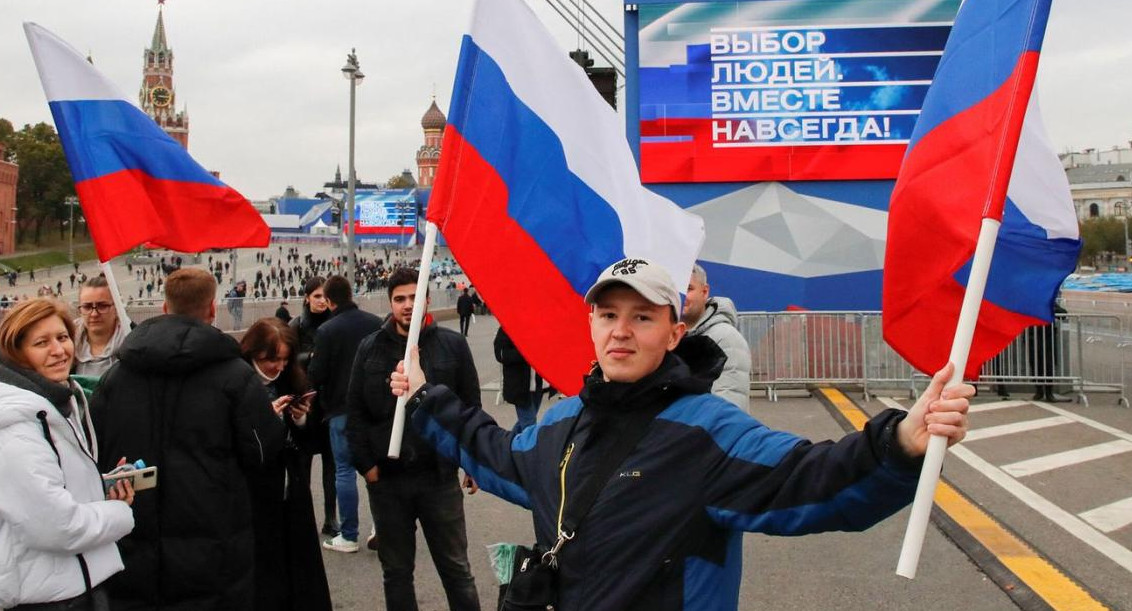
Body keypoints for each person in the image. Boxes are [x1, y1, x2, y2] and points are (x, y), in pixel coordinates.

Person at [391, 257, 972, 611]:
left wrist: (899, 443)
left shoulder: (709, 431)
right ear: (591, 325)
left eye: (642, 317)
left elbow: (810, 480)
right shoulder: (562, 421)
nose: (622, 332)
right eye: (609, 315)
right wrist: (422, 398)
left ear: (673, 335)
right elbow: (497, 456)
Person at [90, 268, 286, 610]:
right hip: (214, 539)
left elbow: (94, 449)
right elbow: (261, 452)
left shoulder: (117, 376)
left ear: (164, 308)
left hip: (135, 535)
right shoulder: (234, 377)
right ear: (212, 309)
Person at [346, 267, 481, 610]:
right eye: (400, 299)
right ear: (390, 303)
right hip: (388, 482)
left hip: (439, 478)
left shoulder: (453, 345)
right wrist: (368, 468)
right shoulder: (370, 349)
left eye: (414, 297)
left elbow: (470, 407)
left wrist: (473, 462)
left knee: (456, 570)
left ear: (427, 300)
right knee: (396, 572)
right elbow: (355, 412)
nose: (408, 305)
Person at [0, 298, 135, 610]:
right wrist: (119, 513)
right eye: (41, 343)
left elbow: (52, 489)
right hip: (46, 598)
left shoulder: (58, 402)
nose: (58, 350)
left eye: (62, 338)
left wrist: (101, 487)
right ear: (18, 354)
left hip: (75, 586)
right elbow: (56, 526)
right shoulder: (15, 425)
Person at [240, 319, 332, 611]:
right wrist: (265, 420)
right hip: (255, 494)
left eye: (283, 359)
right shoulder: (238, 384)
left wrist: (301, 418)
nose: (277, 367)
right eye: (271, 360)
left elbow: (309, 441)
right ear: (254, 353)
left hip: (290, 489)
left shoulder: (290, 379)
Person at [308, 274, 382, 553]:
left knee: (344, 471)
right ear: (351, 294)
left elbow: (317, 375)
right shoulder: (375, 324)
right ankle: (381, 526)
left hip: (340, 410)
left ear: (328, 301)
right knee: (375, 470)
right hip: (373, 409)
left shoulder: (327, 330)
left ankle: (349, 535)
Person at [290, 276, 338, 536]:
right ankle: (302, 517)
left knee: (331, 466)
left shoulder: (334, 324)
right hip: (304, 402)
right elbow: (286, 358)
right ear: (307, 297)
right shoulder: (296, 325)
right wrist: (309, 357)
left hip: (328, 401)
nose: (321, 301)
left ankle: (331, 517)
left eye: (325, 297)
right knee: (302, 464)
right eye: (317, 296)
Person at [680, 264, 752, 411]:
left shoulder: (726, 338)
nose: (681, 295)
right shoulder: (666, 336)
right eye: (676, 289)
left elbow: (729, 403)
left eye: (688, 289)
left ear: (704, 291)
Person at [73, 276, 130, 379]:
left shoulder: (134, 345)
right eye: (87, 307)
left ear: (117, 307)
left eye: (102, 306)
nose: (94, 314)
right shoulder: (66, 345)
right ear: (80, 310)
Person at [494, 326, 549, 433]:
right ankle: (531, 449)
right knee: (529, 424)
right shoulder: (508, 326)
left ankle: (509, 445)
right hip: (520, 386)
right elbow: (500, 354)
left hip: (539, 384)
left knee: (524, 422)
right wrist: (525, 354)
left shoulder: (542, 325)